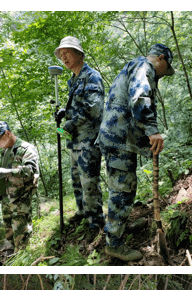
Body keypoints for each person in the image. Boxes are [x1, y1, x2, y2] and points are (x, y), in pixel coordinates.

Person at [97, 44, 175, 261]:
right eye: (164, 68)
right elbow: (140, 97)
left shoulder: (134, 66)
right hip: (118, 139)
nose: (163, 75)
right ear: (161, 59)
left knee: (121, 187)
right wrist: (153, 131)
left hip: (117, 138)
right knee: (123, 189)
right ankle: (114, 244)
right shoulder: (144, 66)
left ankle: (120, 225)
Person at [54, 36, 106, 236]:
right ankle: (83, 212)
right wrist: (64, 113)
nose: (64, 57)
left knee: (89, 183)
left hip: (88, 141)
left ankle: (96, 223)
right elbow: (78, 107)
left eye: (67, 53)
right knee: (77, 180)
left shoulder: (91, 76)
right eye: (61, 55)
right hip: (75, 142)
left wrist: (70, 123)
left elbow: (93, 108)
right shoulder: (73, 80)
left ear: (79, 54)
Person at [0, 122, 40, 251]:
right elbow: (6, 173)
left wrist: (7, 171)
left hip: (21, 197)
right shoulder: (6, 151)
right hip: (6, 197)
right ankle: (14, 259)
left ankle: (26, 262)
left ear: (7, 134)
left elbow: (31, 170)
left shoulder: (26, 148)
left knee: (22, 235)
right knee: (10, 235)